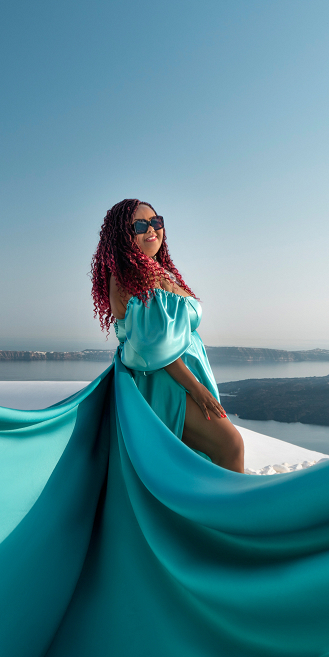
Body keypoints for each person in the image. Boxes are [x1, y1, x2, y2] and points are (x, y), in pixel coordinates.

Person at [90, 199, 245, 472]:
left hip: (181, 377)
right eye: (140, 225)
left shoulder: (156, 271)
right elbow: (154, 346)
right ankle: (236, 514)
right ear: (124, 235)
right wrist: (196, 390)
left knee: (207, 459)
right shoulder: (128, 276)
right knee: (230, 445)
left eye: (156, 222)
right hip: (165, 382)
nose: (152, 229)